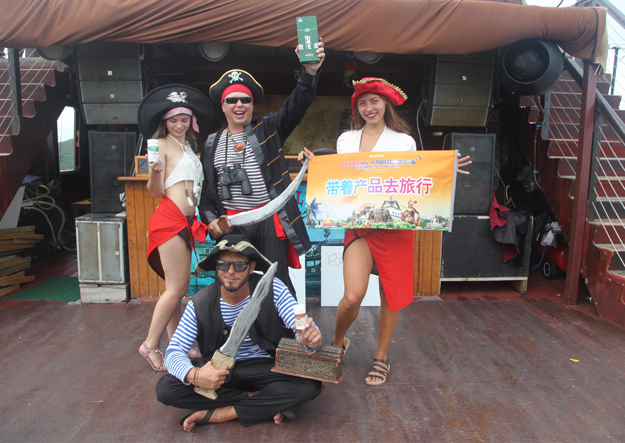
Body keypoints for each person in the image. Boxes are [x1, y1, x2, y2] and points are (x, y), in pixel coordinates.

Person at [299, 77, 471, 386]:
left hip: (395, 227)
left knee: (390, 295)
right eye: (362, 103)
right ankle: (338, 342)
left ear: (385, 105)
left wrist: (444, 169)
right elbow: (340, 175)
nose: (369, 108)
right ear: (357, 109)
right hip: (360, 226)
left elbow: (414, 176)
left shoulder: (404, 142)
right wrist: (312, 162)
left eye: (374, 101)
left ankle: (381, 356)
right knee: (352, 296)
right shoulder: (346, 140)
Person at [155, 234, 322, 430]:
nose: (231, 271)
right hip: (219, 373)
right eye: (223, 265)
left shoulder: (272, 288)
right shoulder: (200, 303)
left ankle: (224, 413)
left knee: (310, 382)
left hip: (267, 368)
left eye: (240, 265)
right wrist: (195, 375)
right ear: (217, 268)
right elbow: (174, 351)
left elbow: (301, 326)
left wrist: (309, 339)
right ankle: (262, 401)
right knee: (166, 389)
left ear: (251, 267)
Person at [198, 39, 325, 296]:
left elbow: (296, 105)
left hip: (268, 219)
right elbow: (206, 194)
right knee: (232, 286)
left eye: (245, 99)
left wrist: (309, 72)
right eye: (232, 100)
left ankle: (283, 323)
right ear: (223, 106)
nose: (239, 105)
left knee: (275, 284)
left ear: (252, 104)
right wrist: (211, 221)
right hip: (231, 223)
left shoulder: (268, 128)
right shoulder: (211, 143)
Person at [136, 84, 214, 371]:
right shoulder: (161, 145)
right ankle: (150, 344)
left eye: (184, 120)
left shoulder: (188, 147)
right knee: (178, 288)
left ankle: (178, 343)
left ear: (191, 121)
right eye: (173, 121)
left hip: (185, 222)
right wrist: (154, 172)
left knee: (176, 289)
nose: (179, 125)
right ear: (164, 121)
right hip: (169, 219)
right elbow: (155, 191)